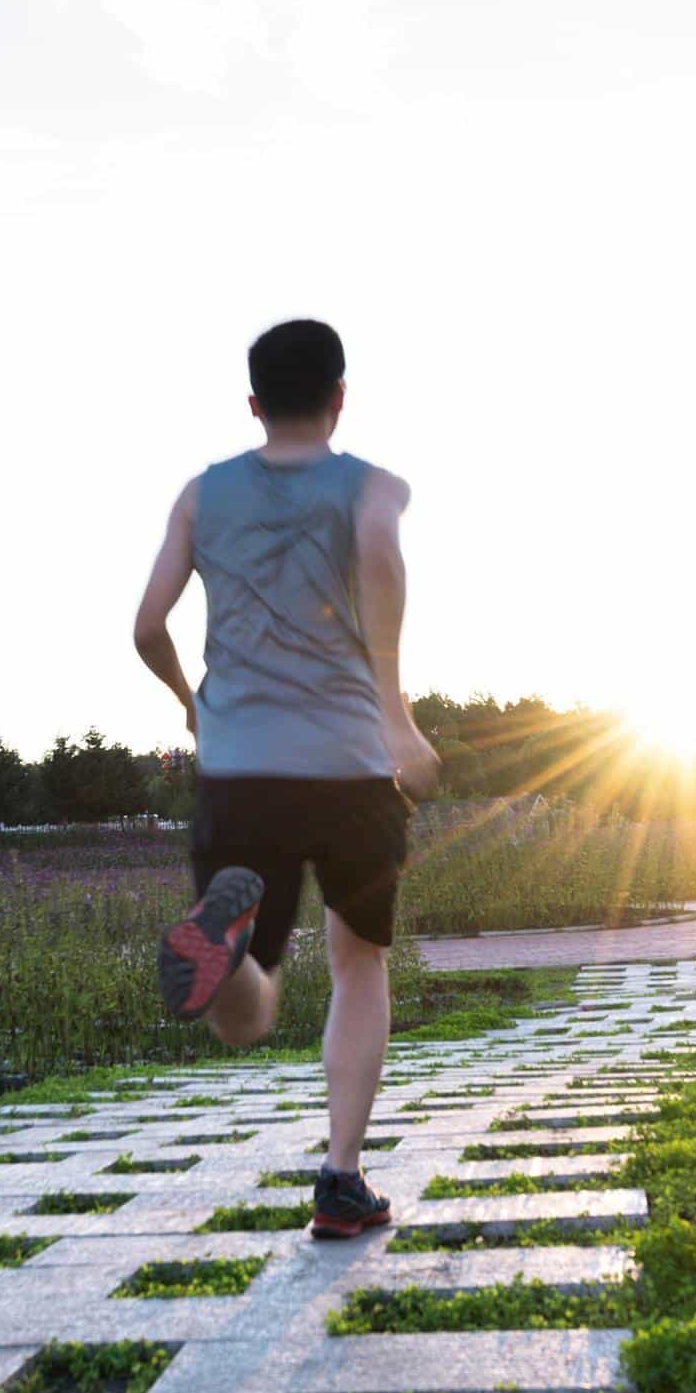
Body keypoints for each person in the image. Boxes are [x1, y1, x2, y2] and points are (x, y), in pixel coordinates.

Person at [133, 318, 440, 1238]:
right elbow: (381, 558)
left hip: (240, 770)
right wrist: (396, 716)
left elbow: (146, 626)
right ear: (340, 395)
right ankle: (341, 1177)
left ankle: (227, 957)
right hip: (350, 764)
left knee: (248, 1015)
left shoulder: (203, 495)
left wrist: (191, 700)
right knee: (358, 961)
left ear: (256, 404)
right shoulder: (371, 486)